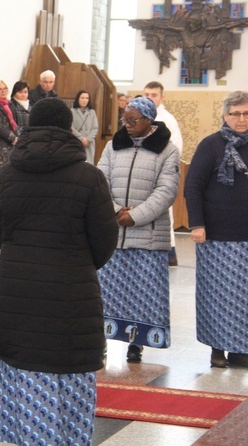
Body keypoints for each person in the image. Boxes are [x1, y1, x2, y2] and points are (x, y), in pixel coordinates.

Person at [0, 98, 118, 446]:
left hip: (17, 289)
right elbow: (104, 241)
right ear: (69, 128)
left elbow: (2, 230)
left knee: (20, 367)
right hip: (71, 294)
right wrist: (76, 264)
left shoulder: (8, 173)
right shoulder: (89, 176)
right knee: (67, 373)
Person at [97, 97, 180, 363]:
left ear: (149, 120)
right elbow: (99, 182)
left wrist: (135, 216)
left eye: (133, 120)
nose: (127, 124)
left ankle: (137, 344)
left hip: (147, 236)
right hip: (114, 236)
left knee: (142, 295)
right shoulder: (113, 146)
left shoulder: (167, 150)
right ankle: (101, 340)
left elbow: (166, 191)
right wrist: (115, 211)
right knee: (106, 293)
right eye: (125, 119)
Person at [184, 90, 248, 368]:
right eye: (235, 113)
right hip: (216, 235)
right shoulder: (211, 145)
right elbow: (193, 186)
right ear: (225, 115)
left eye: (246, 113)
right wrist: (197, 223)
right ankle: (217, 349)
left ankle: (240, 348)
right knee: (217, 295)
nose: (241, 119)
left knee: (243, 297)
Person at [144, 81, 183, 266]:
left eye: (154, 95)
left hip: (161, 174)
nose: (150, 98)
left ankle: (170, 253)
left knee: (164, 212)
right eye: (147, 94)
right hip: (142, 175)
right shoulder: (139, 116)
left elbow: (175, 150)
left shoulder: (168, 120)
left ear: (162, 97)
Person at [71, 89, 99, 164]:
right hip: (77, 141)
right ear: (78, 99)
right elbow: (71, 128)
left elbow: (95, 128)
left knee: (89, 163)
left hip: (89, 143)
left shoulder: (92, 112)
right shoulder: (72, 111)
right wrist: (81, 138)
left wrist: (88, 139)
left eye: (87, 98)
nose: (85, 100)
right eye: (82, 98)